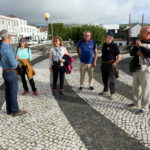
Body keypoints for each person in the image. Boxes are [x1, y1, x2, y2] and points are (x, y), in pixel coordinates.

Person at [0, 30, 27, 116]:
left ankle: (9, 110)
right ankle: (15, 111)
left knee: (7, 91)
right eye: (10, 36)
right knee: (13, 92)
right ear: (7, 37)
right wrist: (16, 61)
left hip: (4, 71)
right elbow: (13, 63)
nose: (11, 38)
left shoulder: (1, 46)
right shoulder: (7, 47)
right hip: (11, 72)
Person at [128, 26, 150, 115]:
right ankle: (136, 103)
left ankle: (145, 108)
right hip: (137, 67)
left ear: (148, 33)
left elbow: (148, 54)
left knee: (146, 89)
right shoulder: (140, 41)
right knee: (135, 87)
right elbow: (132, 52)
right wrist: (139, 49)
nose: (139, 34)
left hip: (146, 69)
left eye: (141, 32)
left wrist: (141, 49)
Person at [100, 31, 122, 100]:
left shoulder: (114, 45)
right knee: (104, 78)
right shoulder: (104, 44)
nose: (104, 37)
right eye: (105, 36)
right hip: (104, 63)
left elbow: (119, 56)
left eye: (106, 36)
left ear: (110, 38)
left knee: (111, 80)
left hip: (111, 64)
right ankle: (105, 90)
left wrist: (114, 64)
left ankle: (113, 93)